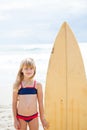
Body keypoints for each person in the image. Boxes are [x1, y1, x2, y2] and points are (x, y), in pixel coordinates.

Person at [12, 58, 49, 130]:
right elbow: (14, 103)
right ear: (21, 70)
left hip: (34, 117)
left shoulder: (37, 85)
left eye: (31, 68)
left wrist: (42, 119)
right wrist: (15, 120)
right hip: (21, 117)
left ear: (34, 69)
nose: (29, 71)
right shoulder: (17, 85)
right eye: (26, 68)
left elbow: (40, 103)